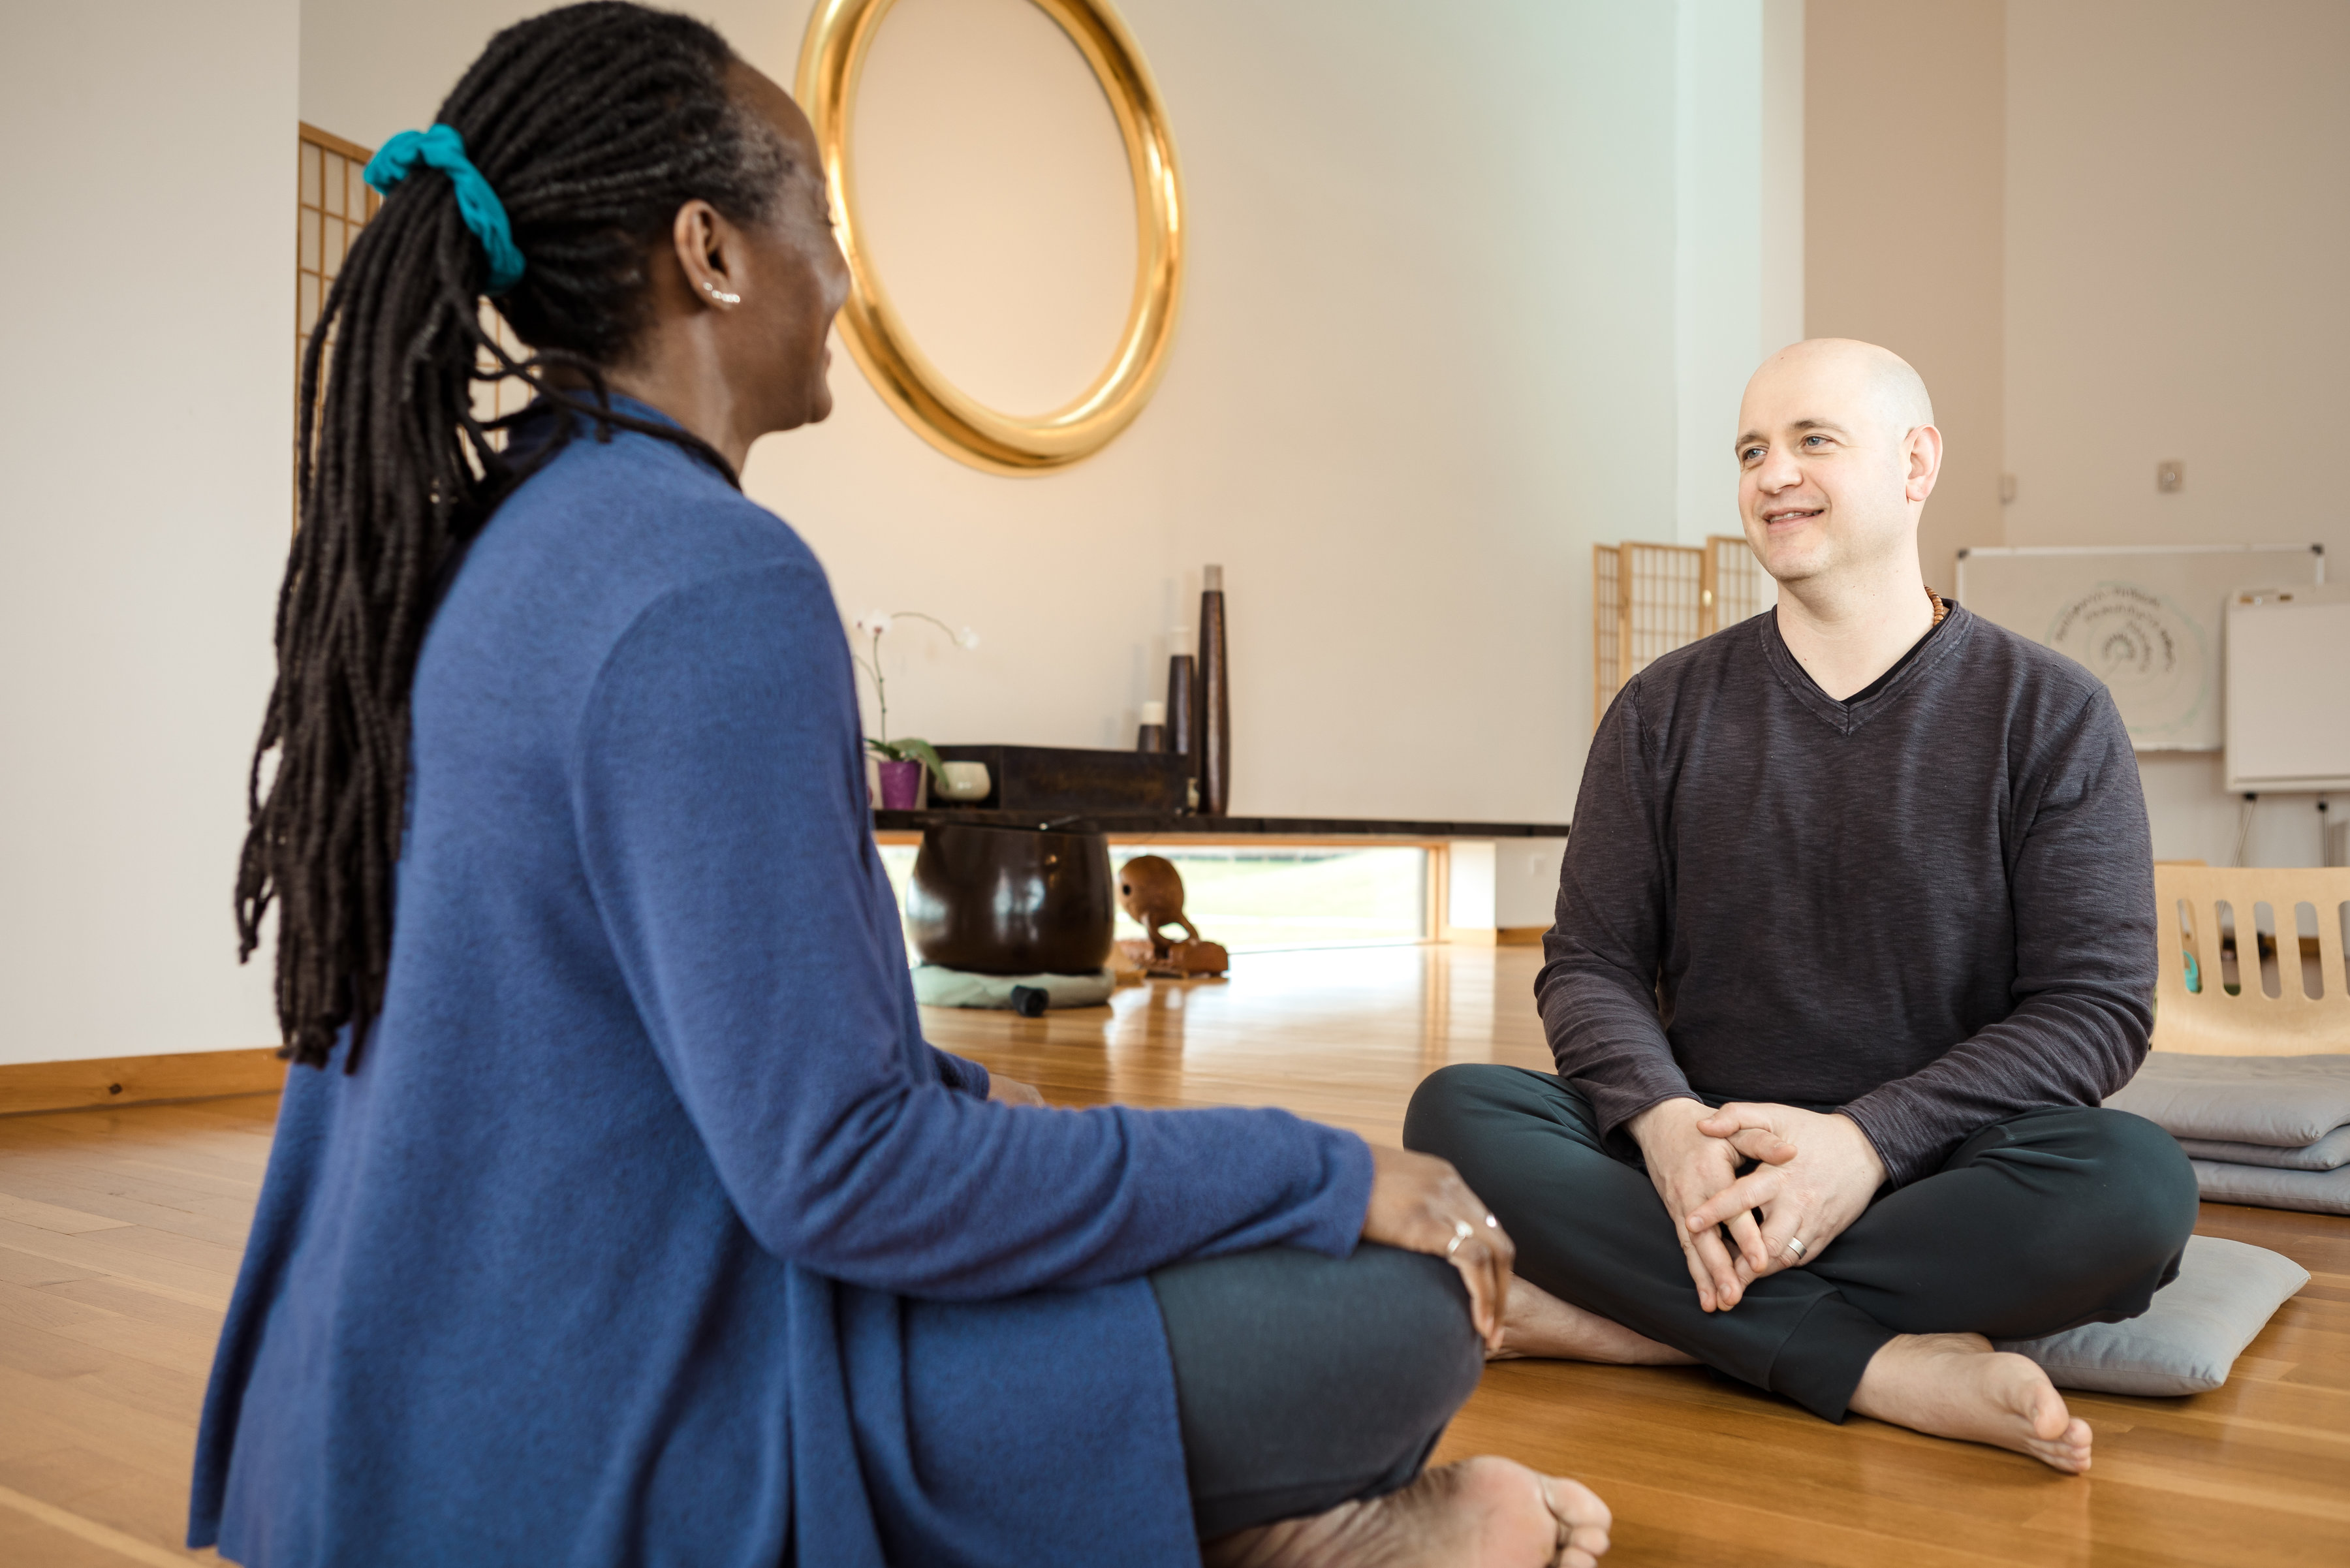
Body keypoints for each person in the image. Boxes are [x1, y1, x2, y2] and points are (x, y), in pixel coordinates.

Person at [189, 7, 1612, 1565]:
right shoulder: (704, 575)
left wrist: (976, 1103)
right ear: (710, 252)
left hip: (367, 1438)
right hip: (601, 1449)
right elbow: (844, 1175)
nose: (848, 280)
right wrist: (1324, 1166)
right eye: (823, 222)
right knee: (1402, 1313)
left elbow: (697, 1049)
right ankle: (1274, 1535)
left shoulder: (487, 541)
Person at [1405, 337, 2199, 1474]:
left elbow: (2095, 1011)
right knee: (1458, 1116)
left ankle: (1634, 1325)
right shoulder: (1661, 710)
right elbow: (1589, 966)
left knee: (2135, 1194)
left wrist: (1868, 1143)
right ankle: (1883, 1365)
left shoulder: (2053, 711)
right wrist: (1669, 1127)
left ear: (1918, 462)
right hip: (1701, 1152)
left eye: (1813, 440)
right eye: (1751, 450)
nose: (1773, 473)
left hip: (1940, 1165)